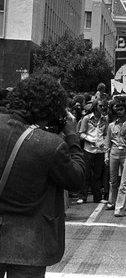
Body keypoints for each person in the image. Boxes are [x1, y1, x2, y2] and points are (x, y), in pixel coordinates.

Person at [0, 75, 85, 277]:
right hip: (29, 245)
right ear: (52, 109)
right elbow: (76, 179)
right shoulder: (50, 144)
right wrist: (72, 136)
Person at [77, 98, 108, 204]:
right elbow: (81, 133)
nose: (103, 108)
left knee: (98, 175)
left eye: (104, 106)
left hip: (100, 151)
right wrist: (92, 141)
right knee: (86, 173)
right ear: (95, 107)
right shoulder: (86, 119)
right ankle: (83, 196)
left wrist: (103, 143)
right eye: (101, 106)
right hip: (88, 149)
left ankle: (98, 197)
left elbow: (105, 134)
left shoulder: (105, 119)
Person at [103, 99, 126, 211]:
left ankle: (125, 202)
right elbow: (108, 141)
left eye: (122, 109)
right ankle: (112, 201)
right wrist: (106, 155)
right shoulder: (111, 125)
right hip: (114, 151)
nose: (119, 112)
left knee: (125, 180)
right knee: (113, 179)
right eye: (117, 110)